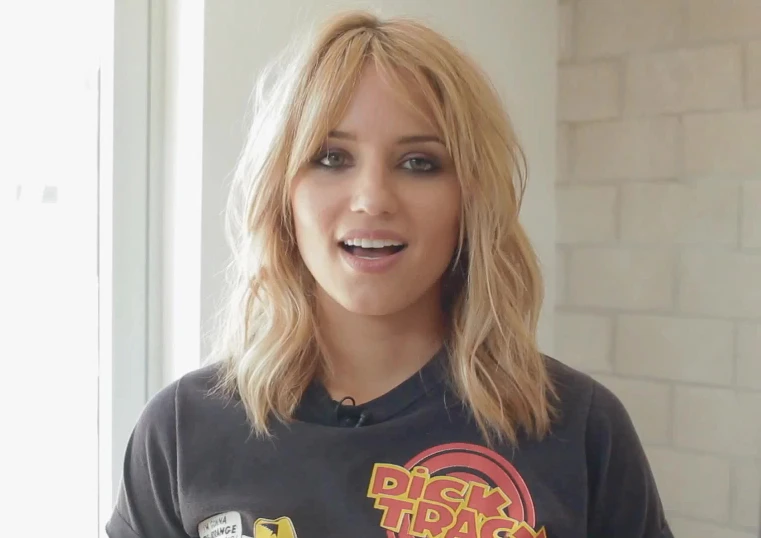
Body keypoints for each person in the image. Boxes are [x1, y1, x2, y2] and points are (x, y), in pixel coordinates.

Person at [106, 10, 673, 538]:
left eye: (419, 163)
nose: (372, 198)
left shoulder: (580, 427)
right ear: (283, 194)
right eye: (331, 158)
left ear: (470, 200)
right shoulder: (182, 431)